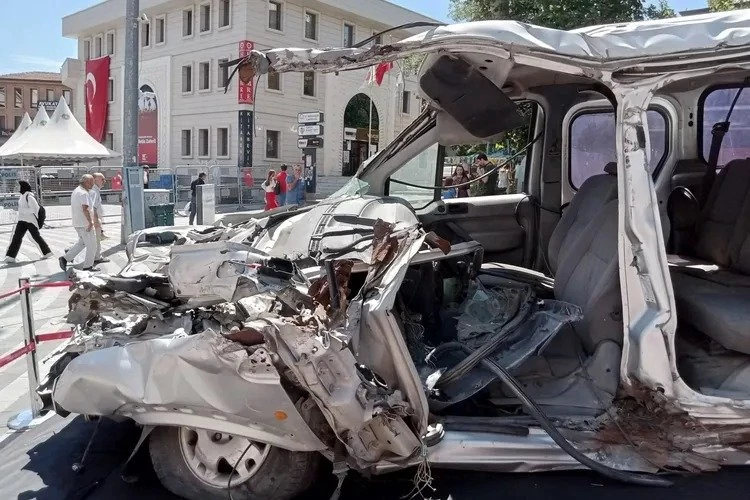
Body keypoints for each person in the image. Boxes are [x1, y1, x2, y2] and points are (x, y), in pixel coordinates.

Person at [4, 181, 53, 263]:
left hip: (30, 221)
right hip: (22, 220)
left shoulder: (29, 197)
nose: (17, 187)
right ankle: (11, 256)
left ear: (23, 187)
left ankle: (47, 252)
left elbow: (35, 209)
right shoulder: (22, 196)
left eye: (18, 186)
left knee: (36, 237)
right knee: (16, 237)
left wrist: (23, 211)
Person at [59, 175, 98, 272]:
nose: (93, 184)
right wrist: (90, 222)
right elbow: (85, 209)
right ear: (86, 182)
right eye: (91, 182)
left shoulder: (76, 190)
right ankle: (88, 266)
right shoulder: (83, 193)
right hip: (85, 224)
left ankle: (65, 258)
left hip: (78, 223)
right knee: (92, 245)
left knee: (82, 243)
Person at [90, 173, 110, 264]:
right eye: (102, 179)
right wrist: (96, 220)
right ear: (95, 180)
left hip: (94, 219)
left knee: (86, 241)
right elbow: (93, 207)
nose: (104, 181)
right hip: (94, 220)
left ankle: (69, 254)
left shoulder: (95, 190)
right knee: (96, 240)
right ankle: (97, 257)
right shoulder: (93, 191)